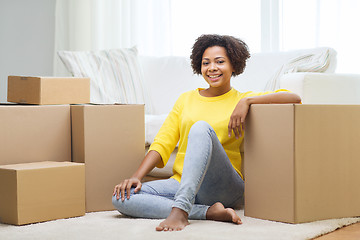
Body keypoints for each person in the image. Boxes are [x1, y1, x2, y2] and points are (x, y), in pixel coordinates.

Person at [112, 34, 301, 231]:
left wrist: (248, 102)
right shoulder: (185, 99)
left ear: (234, 65)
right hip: (183, 183)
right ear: (199, 66)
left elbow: (294, 97)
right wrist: (136, 177)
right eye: (206, 63)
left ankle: (181, 211)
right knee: (121, 198)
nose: (212, 68)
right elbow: (162, 142)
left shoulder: (242, 99)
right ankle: (207, 212)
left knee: (201, 128)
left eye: (220, 62)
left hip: (224, 186)